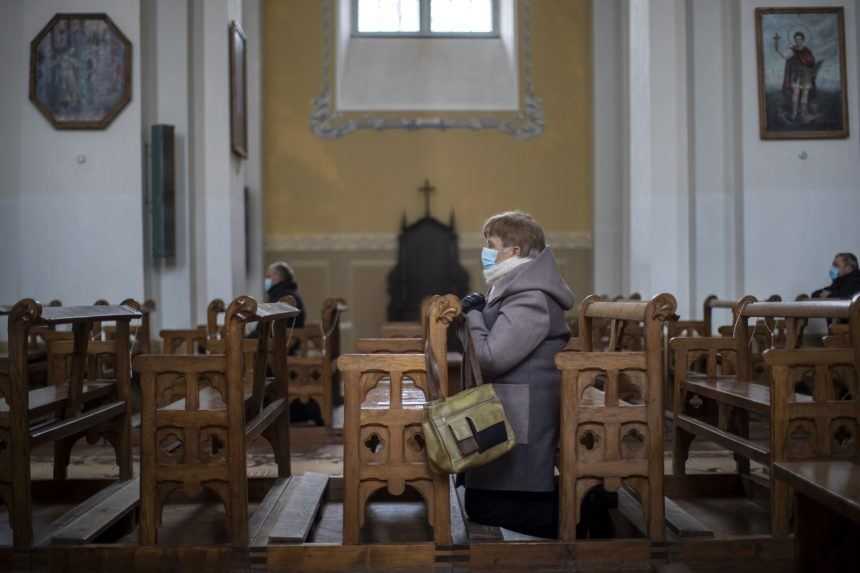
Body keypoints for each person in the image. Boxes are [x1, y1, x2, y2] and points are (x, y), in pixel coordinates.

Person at [458, 211, 581, 539]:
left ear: (513, 251)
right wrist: (480, 310)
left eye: (491, 244)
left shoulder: (531, 297)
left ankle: (581, 517)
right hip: (511, 405)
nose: (485, 251)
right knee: (477, 502)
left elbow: (492, 357)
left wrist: (472, 316)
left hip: (524, 412)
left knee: (485, 507)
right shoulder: (515, 286)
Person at [774, 31, 819, 123]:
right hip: (796, 76)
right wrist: (776, 44)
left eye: (800, 39)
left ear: (803, 40)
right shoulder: (792, 50)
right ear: (794, 40)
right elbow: (783, 55)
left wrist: (811, 72)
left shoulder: (807, 51)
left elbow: (811, 63)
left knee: (805, 95)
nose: (798, 41)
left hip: (806, 75)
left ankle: (803, 114)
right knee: (795, 94)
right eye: (796, 39)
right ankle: (794, 114)